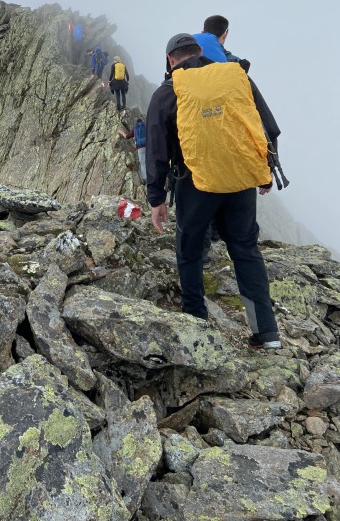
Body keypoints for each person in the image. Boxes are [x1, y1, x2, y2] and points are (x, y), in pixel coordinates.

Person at [146, 32, 282, 350]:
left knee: (190, 251)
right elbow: (266, 124)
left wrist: (156, 199)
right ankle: (266, 331)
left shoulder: (169, 90)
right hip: (240, 179)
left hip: (197, 183)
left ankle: (196, 321)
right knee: (245, 250)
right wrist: (266, 172)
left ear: (170, 60)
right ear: (200, 52)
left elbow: (156, 147)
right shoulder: (236, 76)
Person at [119, 117, 147, 182]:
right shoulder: (146, 126)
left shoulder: (135, 128)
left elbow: (127, 137)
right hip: (148, 146)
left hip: (140, 148)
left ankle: (145, 179)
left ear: (136, 123)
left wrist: (121, 132)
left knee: (143, 164)